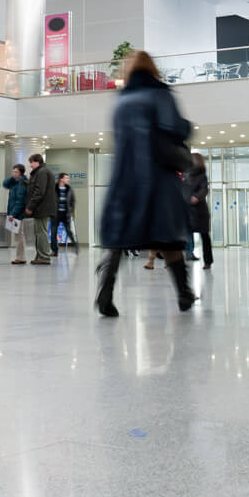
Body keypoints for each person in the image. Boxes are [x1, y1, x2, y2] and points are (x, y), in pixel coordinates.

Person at [95, 50, 196, 317]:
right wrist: (186, 126)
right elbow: (175, 127)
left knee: (117, 239)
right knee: (169, 235)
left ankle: (105, 295)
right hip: (157, 176)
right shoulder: (159, 93)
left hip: (125, 177)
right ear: (153, 68)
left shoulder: (121, 101)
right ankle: (184, 292)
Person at [25, 153, 56, 265]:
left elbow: (39, 191)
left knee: (41, 232)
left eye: (31, 162)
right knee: (39, 232)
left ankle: (44, 256)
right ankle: (40, 255)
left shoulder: (42, 172)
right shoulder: (41, 172)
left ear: (37, 161)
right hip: (42, 208)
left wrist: (30, 206)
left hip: (42, 208)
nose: (30, 165)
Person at [187, 152, 212, 269]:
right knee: (184, 234)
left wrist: (196, 197)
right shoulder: (187, 175)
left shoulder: (202, 175)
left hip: (200, 211)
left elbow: (204, 190)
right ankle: (185, 256)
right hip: (188, 210)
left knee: (204, 236)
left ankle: (208, 261)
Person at [3, 164, 29, 264]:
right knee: (18, 235)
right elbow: (5, 184)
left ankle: (21, 257)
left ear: (21, 173)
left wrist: (13, 213)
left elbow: (20, 201)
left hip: (18, 214)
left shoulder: (22, 184)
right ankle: (20, 257)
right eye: (13, 171)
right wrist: (13, 177)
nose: (14, 173)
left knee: (19, 236)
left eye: (16, 172)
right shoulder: (15, 183)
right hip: (14, 213)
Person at [51, 172, 79, 256]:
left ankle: (76, 245)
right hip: (55, 214)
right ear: (61, 179)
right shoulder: (54, 188)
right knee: (53, 233)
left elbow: (73, 201)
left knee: (69, 232)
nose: (68, 179)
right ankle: (54, 251)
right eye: (66, 178)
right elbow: (50, 200)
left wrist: (70, 211)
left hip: (65, 214)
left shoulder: (69, 189)